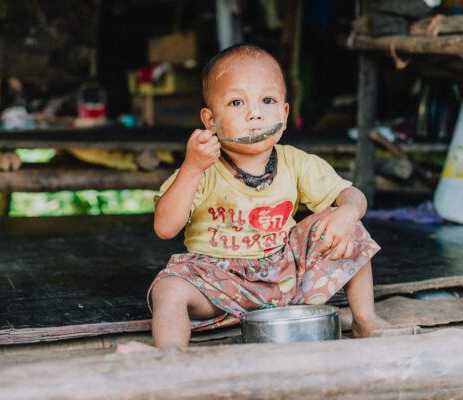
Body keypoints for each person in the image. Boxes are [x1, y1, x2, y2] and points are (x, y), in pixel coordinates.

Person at [148, 43, 390, 349]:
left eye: (267, 100)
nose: (255, 114)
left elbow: (351, 195)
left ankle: (365, 319)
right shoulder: (202, 168)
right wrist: (192, 168)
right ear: (210, 120)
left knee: (348, 225)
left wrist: (347, 213)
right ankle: (169, 357)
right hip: (219, 285)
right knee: (168, 289)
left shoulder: (295, 161)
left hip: (286, 278)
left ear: (285, 113)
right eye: (236, 102)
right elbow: (165, 227)